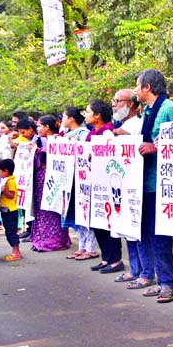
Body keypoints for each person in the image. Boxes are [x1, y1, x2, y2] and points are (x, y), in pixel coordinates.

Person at [127, 69, 173, 303]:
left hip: (164, 183)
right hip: (146, 183)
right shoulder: (147, 112)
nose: (135, 90)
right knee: (150, 235)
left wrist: (156, 148)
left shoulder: (169, 109)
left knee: (161, 237)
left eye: (137, 86)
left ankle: (169, 283)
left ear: (148, 87)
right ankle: (160, 280)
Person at [85, 100, 125, 275]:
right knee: (97, 223)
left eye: (87, 112)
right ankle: (106, 257)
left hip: (106, 184)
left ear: (97, 115)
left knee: (108, 223)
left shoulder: (107, 132)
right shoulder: (91, 133)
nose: (85, 115)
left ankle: (115, 259)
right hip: (93, 183)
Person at [110, 89, 145, 283]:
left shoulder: (136, 124)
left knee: (136, 232)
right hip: (120, 185)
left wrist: (118, 135)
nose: (114, 105)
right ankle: (134, 269)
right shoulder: (121, 125)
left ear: (130, 104)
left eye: (117, 101)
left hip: (134, 185)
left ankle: (145, 272)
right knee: (125, 229)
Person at [28, 115, 73, 253]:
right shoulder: (39, 140)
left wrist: (39, 152)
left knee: (53, 208)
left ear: (47, 127)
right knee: (41, 209)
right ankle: (41, 239)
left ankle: (56, 240)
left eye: (40, 126)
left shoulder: (59, 140)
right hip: (40, 178)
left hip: (54, 179)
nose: (38, 129)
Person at [62, 106, 98, 261]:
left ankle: (91, 247)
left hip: (82, 179)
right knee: (75, 215)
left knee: (84, 213)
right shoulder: (65, 135)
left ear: (71, 119)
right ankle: (82, 245)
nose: (62, 119)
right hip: (71, 180)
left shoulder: (83, 134)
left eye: (64, 116)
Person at [0, 158, 21, 261]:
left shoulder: (10, 182)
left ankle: (16, 252)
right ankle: (16, 251)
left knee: (11, 232)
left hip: (11, 211)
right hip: (6, 210)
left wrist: (4, 190)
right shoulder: (5, 180)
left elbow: (11, 195)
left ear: (5, 171)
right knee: (9, 232)